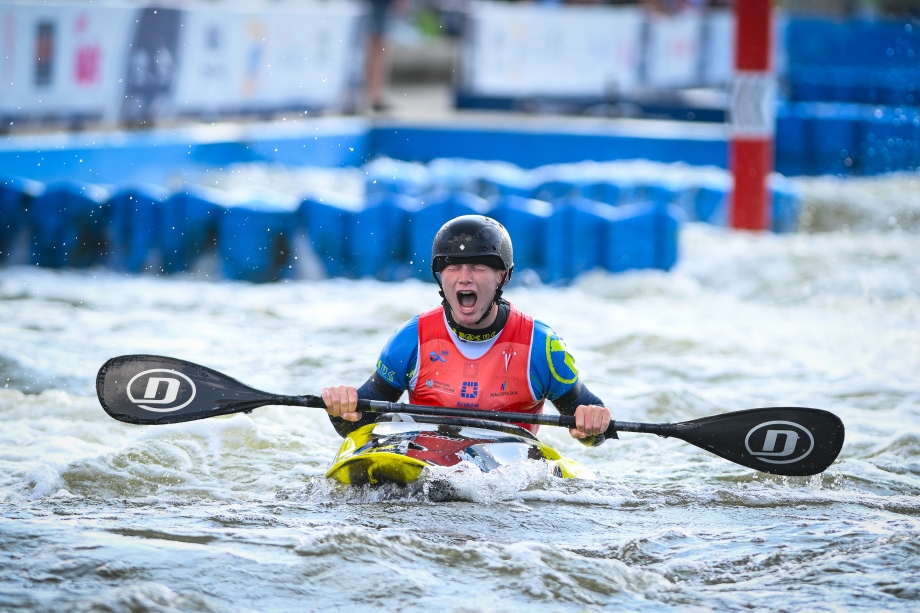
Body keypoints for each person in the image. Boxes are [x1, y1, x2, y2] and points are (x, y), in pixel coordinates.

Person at [323, 215, 612, 443]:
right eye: (453, 267)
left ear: (503, 275)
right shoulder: (410, 339)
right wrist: (342, 408)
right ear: (439, 276)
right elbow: (356, 423)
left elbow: (591, 427)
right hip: (427, 475)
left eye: (477, 267)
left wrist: (592, 425)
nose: (464, 279)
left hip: (504, 485)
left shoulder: (542, 347)